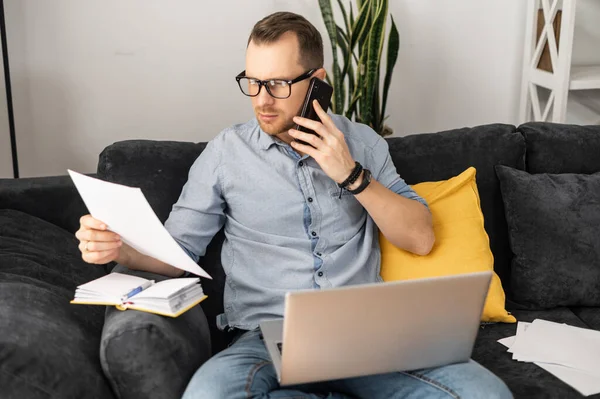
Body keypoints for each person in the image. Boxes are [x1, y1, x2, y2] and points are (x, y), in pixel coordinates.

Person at [76, 11, 512, 399]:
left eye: (279, 84)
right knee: (207, 393)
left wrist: (351, 175)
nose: (261, 99)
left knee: (485, 392)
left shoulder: (362, 142)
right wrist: (122, 249)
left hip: (364, 337)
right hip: (264, 338)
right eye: (252, 81)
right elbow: (180, 253)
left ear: (316, 82)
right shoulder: (226, 153)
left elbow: (420, 237)